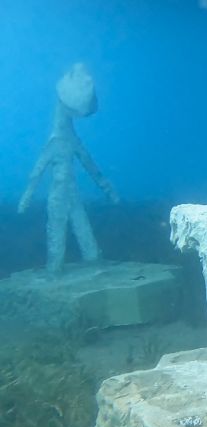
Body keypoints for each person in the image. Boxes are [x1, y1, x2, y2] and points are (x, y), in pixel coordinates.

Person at [18, 63, 119, 273]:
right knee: (62, 229)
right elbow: (38, 171)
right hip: (61, 193)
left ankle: (76, 265)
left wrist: (107, 189)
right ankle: (56, 269)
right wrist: (27, 195)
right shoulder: (59, 141)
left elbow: (89, 165)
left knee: (74, 228)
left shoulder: (66, 140)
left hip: (68, 192)